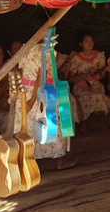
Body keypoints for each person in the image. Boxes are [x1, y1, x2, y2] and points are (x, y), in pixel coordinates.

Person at [18, 39, 77, 169]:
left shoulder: (25, 47)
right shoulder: (43, 51)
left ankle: (27, 161)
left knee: (29, 126)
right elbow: (41, 76)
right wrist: (33, 99)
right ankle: (60, 160)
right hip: (41, 93)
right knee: (51, 123)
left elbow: (21, 71)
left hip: (25, 91)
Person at [68, 33, 110, 133]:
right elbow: (70, 78)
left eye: (91, 41)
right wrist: (83, 77)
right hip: (80, 85)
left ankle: (102, 119)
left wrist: (104, 71)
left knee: (99, 94)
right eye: (86, 41)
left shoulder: (99, 56)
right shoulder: (77, 58)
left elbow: (102, 76)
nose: (90, 43)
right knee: (84, 97)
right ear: (80, 44)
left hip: (94, 83)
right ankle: (84, 121)